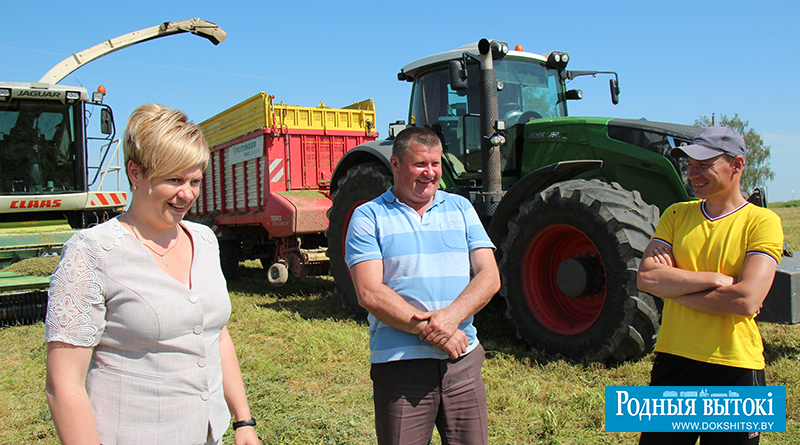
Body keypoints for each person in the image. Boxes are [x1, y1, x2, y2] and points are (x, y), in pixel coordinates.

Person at [44, 103, 261, 445]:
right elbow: (63, 383)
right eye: (173, 180)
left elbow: (216, 334)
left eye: (195, 181)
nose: (187, 194)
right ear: (136, 173)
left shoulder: (204, 239)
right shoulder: (92, 252)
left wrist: (243, 420)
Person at [345, 126, 501, 445]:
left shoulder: (460, 208)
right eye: (420, 164)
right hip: (401, 367)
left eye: (435, 164)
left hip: (462, 359)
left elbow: (489, 276)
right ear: (396, 164)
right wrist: (434, 331)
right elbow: (369, 292)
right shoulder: (368, 216)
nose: (430, 173)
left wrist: (450, 319)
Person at [637, 126, 784, 445]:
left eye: (704, 164)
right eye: (690, 164)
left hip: (734, 366)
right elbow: (647, 277)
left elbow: (745, 300)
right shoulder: (675, 214)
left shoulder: (762, 222)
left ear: (737, 165)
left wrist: (674, 288)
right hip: (673, 362)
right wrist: (716, 281)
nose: (693, 173)